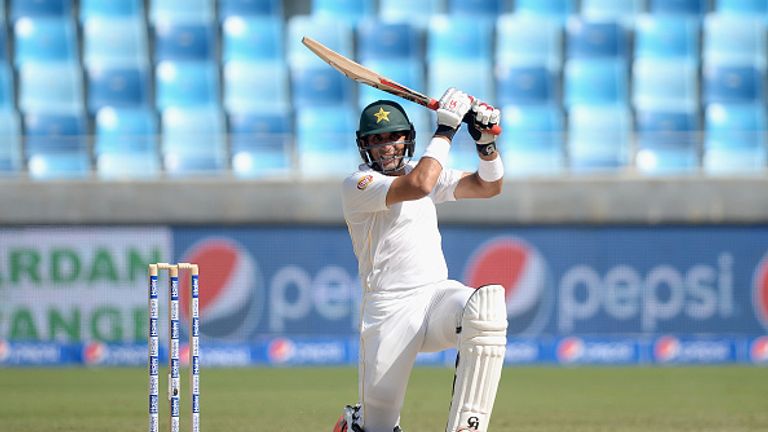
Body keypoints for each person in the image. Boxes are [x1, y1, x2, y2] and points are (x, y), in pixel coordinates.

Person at [334, 88, 508, 432]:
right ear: (363, 145)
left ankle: (466, 427)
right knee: (378, 426)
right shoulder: (359, 184)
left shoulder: (422, 169)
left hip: (435, 299)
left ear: (408, 139)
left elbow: (489, 186)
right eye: (376, 139)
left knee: (486, 308)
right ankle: (355, 424)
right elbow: (419, 185)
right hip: (389, 311)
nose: (386, 146)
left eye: (393, 137)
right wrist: (446, 129)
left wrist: (485, 146)